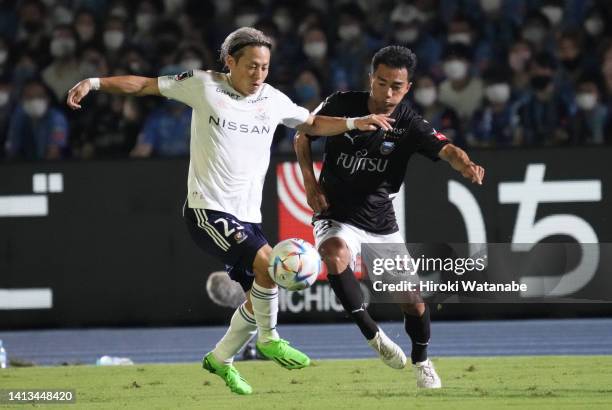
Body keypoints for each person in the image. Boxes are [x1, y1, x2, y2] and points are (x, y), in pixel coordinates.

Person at [66, 27, 393, 395]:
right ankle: (269, 339)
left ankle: (220, 358)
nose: (258, 75)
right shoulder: (203, 85)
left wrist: (354, 123)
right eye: (251, 66)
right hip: (207, 209)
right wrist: (92, 82)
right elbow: (143, 85)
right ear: (230, 62)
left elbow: (312, 123)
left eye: (265, 67)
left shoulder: (271, 99)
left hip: (246, 216)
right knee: (272, 266)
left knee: (263, 287)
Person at [294, 46, 485, 389]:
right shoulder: (342, 103)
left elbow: (447, 150)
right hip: (335, 214)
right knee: (333, 254)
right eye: (381, 83)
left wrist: (465, 164)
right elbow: (303, 133)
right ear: (372, 79)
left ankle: (422, 361)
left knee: (413, 303)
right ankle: (373, 335)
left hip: (380, 222)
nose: (387, 93)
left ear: (408, 87)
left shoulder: (409, 124)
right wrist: (310, 183)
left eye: (396, 86)